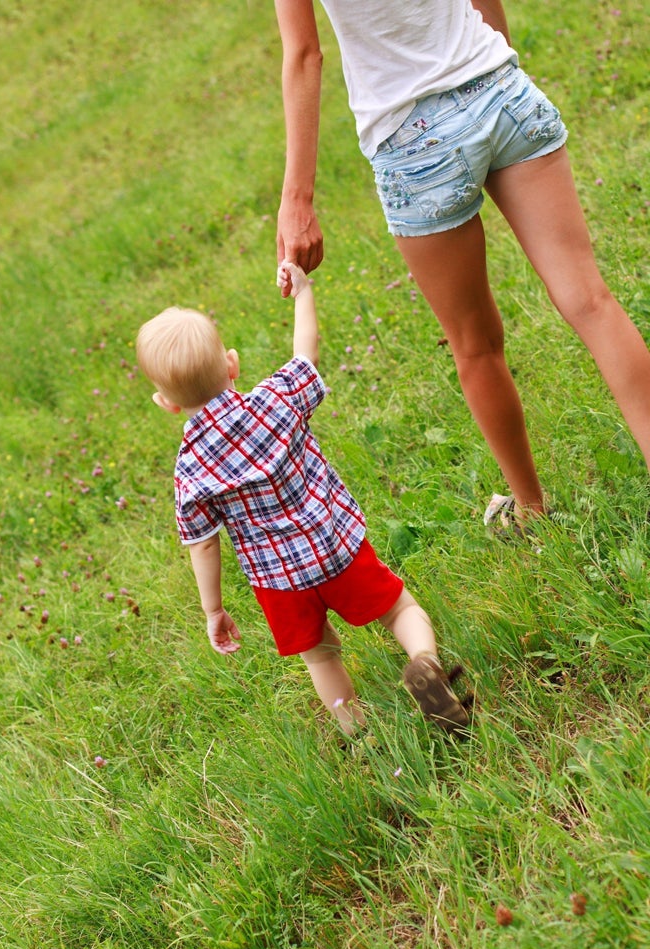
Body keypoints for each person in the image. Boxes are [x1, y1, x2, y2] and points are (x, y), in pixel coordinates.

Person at [274, 0, 650, 529]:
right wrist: (495, 70)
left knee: (475, 345)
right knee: (591, 301)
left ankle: (533, 515)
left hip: (411, 137)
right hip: (499, 87)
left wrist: (298, 200)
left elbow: (305, 55)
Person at [135, 261, 471, 738]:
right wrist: (303, 293)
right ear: (231, 365)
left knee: (320, 654)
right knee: (400, 608)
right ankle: (424, 662)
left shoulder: (190, 469)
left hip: (280, 584)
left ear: (167, 404)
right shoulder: (276, 399)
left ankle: (361, 734)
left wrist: (214, 610)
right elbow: (305, 353)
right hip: (337, 546)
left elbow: (203, 545)